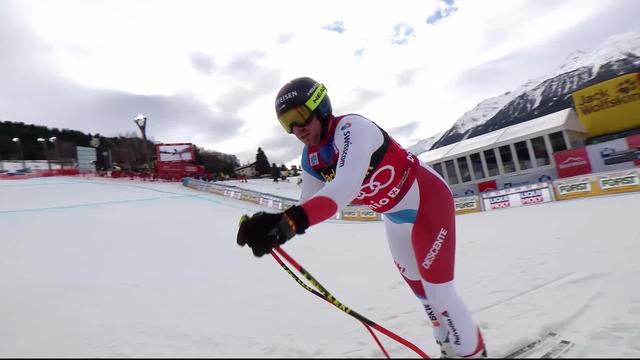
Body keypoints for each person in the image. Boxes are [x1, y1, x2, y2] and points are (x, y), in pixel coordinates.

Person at [236, 77, 487, 358]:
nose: (297, 129)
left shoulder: (352, 128)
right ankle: (448, 347)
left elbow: (345, 185)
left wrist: (289, 223)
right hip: (395, 218)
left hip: (428, 203)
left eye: (300, 116)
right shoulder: (311, 159)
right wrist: (273, 226)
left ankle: (472, 353)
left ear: (320, 107)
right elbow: (309, 205)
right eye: (287, 123)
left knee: (439, 291)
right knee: (422, 294)